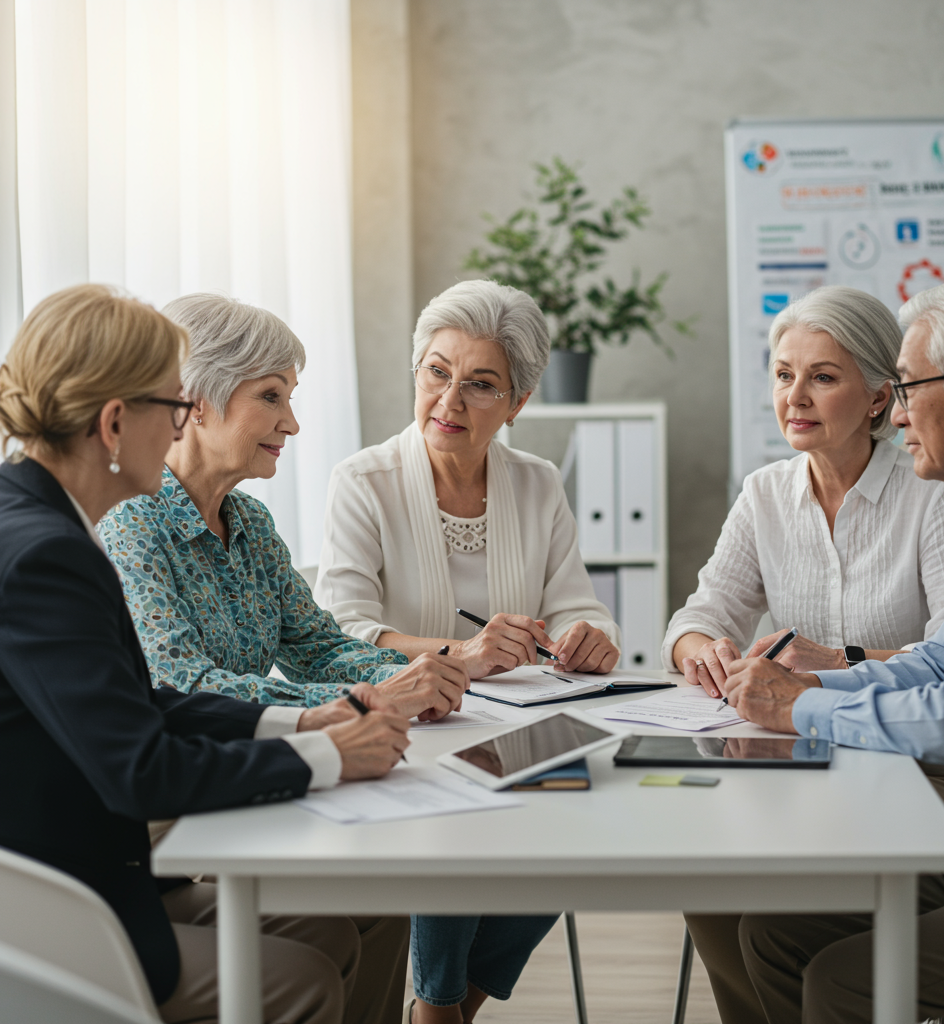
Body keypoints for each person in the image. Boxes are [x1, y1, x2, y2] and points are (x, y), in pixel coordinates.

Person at [0, 284, 411, 1024]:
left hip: (92, 876)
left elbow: (140, 704)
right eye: (175, 407)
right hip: (53, 916)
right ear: (115, 421)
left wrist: (302, 728)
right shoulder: (46, 556)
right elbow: (140, 770)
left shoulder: (39, 521)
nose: (182, 426)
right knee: (305, 979)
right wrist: (329, 757)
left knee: (353, 917)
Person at [663, 286, 944, 1024]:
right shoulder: (765, 493)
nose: (794, 397)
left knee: (777, 916)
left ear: (877, 397)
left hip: (920, 767)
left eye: (822, 377)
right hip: (802, 758)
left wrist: (833, 658)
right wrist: (702, 649)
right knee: (709, 888)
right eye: (782, 375)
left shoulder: (933, 494)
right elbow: (699, 612)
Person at [315, 279, 620, 1024]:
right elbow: (337, 637)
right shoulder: (363, 481)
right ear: (416, 375)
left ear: (517, 403)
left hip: (517, 733)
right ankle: (440, 1007)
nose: (449, 401)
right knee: (455, 808)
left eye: (480, 384)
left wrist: (589, 635)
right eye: (436, 373)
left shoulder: (538, 482)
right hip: (405, 735)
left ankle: (444, 1006)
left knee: (586, 808)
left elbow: (574, 601)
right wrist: (465, 652)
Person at [101, 293, 469, 724]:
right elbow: (183, 685)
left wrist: (430, 675)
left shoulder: (250, 522)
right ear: (195, 400)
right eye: (270, 396)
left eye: (289, 398)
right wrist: (368, 700)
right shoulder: (128, 521)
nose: (291, 423)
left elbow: (319, 650)